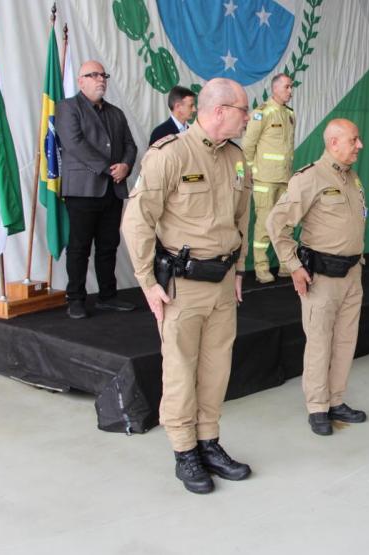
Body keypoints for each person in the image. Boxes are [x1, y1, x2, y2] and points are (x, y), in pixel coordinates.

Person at [120, 78, 252, 494]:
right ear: (220, 111)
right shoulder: (170, 155)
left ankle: (208, 441)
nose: (248, 118)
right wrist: (147, 282)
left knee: (216, 367)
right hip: (183, 284)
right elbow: (136, 220)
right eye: (244, 110)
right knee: (180, 368)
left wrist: (239, 270)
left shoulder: (236, 158)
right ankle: (184, 450)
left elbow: (242, 218)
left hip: (223, 281)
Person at [266, 119, 367, 436]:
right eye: (354, 139)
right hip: (321, 278)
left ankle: (336, 400)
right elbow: (276, 224)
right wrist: (294, 265)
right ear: (334, 143)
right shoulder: (310, 178)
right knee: (320, 344)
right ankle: (318, 407)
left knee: (345, 342)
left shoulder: (352, 177)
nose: (360, 145)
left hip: (352, 274)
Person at [56, 60, 138, 319]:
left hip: (113, 190)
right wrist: (108, 168)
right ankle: (76, 299)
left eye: (103, 75)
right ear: (80, 81)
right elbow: (74, 144)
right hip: (82, 190)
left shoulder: (116, 113)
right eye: (93, 75)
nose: (101, 79)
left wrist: (126, 166)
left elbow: (130, 145)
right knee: (79, 247)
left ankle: (107, 297)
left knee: (108, 245)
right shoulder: (68, 107)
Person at [243, 73, 296, 283]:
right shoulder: (261, 113)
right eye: (286, 87)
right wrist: (250, 172)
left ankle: (285, 264)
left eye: (291, 87)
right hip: (265, 179)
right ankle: (261, 268)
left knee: (285, 223)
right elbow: (248, 145)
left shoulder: (290, 114)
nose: (290, 91)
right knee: (264, 224)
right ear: (274, 89)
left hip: (285, 179)